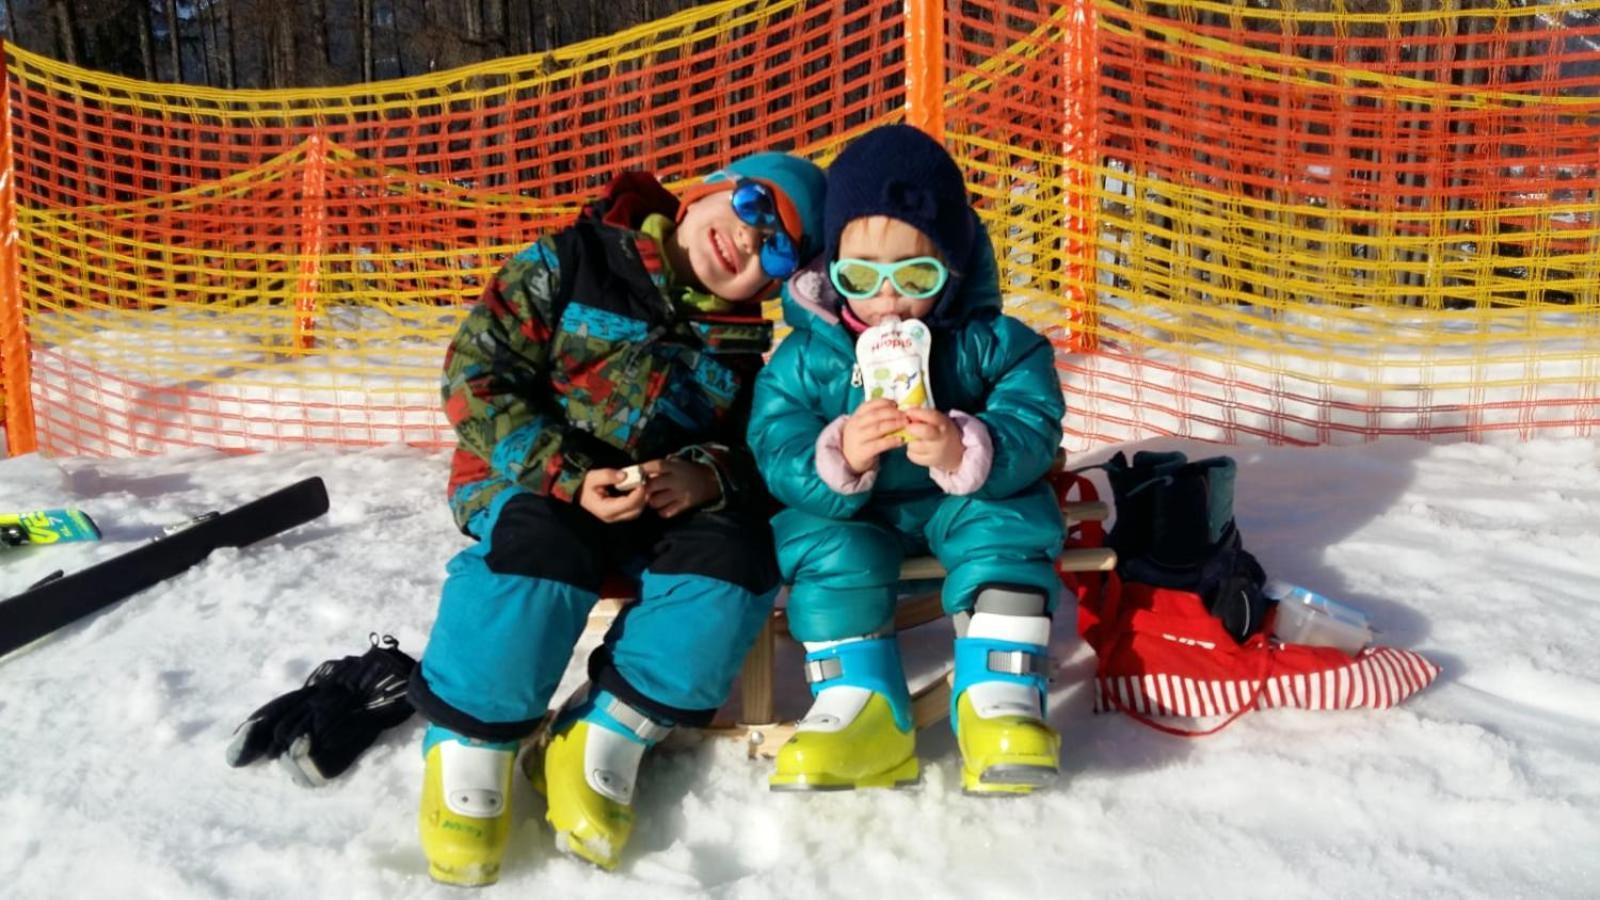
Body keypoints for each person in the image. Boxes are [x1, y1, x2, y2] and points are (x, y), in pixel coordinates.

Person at [410, 152, 825, 884]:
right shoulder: (576, 259)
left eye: (779, 249)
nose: (750, 241)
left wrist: (705, 476)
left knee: (737, 561)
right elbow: (475, 374)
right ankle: (470, 742)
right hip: (528, 481)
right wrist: (565, 472)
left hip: (651, 508)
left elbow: (755, 453)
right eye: (755, 207)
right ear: (710, 190)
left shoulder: (744, 349)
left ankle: (609, 728)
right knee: (542, 545)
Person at [747, 125, 1066, 795]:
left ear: (950, 268)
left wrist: (969, 446)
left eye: (913, 274)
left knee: (1009, 515)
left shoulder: (987, 344)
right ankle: (861, 704)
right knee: (819, 540)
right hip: (857, 516)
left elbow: (1034, 417)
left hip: (957, 502)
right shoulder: (807, 359)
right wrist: (836, 455)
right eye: (860, 276)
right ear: (829, 271)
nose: (886, 298)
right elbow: (773, 443)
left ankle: (1000, 690)